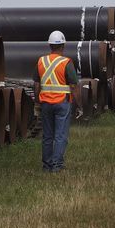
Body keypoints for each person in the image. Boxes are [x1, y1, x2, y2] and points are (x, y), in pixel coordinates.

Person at [33, 30, 79, 172]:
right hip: (62, 103)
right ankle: (57, 166)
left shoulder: (41, 61)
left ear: (49, 45)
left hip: (46, 103)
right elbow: (74, 86)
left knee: (47, 135)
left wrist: (37, 102)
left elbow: (36, 84)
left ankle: (47, 165)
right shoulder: (66, 62)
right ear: (63, 46)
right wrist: (79, 105)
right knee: (60, 136)